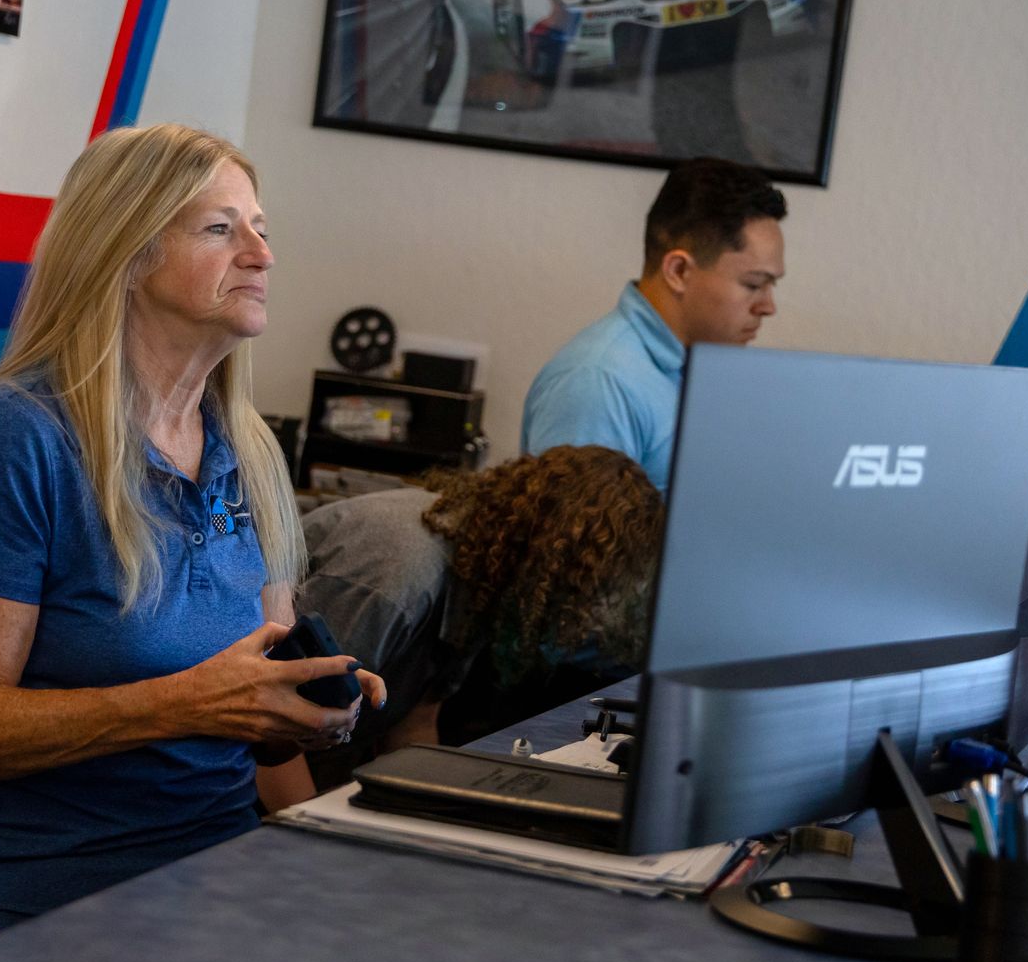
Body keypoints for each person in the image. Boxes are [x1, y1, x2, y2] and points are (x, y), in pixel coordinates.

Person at [0, 124, 386, 962]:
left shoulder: (248, 450)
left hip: (210, 898)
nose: (262, 255)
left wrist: (295, 722)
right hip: (35, 916)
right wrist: (187, 703)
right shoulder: (16, 438)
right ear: (125, 253)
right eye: (221, 229)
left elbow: (254, 708)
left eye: (262, 229)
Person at [297, 445, 663, 788]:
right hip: (266, 767)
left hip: (320, 756)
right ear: (555, 558)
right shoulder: (396, 577)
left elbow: (414, 723)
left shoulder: (482, 572)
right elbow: (274, 730)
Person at [522, 158, 787, 490]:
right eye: (753, 284)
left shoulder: (702, 366)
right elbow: (571, 540)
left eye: (771, 285)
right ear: (678, 271)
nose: (768, 307)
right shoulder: (598, 385)